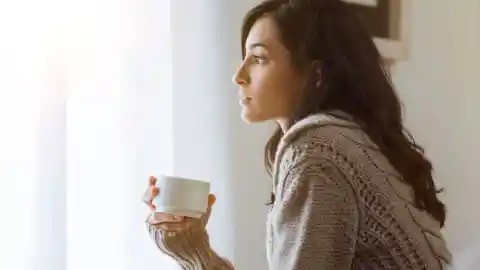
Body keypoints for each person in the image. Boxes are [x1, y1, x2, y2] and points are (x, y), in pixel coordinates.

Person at [141, 0, 452, 269]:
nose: (238, 76)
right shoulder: (344, 139)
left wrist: (196, 255)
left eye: (259, 58)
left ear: (315, 75)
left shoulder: (317, 150)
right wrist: (194, 252)